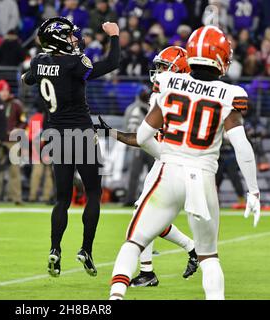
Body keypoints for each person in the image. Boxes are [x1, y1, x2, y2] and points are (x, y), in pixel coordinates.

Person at [108, 26, 260, 300]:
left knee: (133, 242)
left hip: (167, 172)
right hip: (201, 178)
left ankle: (115, 298)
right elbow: (241, 146)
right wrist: (253, 191)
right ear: (223, 58)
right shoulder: (229, 93)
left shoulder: (168, 83)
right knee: (209, 257)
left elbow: (143, 136)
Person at [22, 17, 120, 277]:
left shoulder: (38, 61)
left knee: (62, 199)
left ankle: (55, 249)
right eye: (69, 37)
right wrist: (115, 36)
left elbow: (27, 79)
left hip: (56, 134)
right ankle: (85, 249)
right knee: (93, 192)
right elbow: (112, 63)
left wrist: (37, 72)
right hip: (81, 132)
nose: (74, 40)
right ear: (58, 40)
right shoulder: (74, 63)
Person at [98, 46, 199, 287]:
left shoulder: (170, 97)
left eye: (164, 67)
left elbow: (146, 140)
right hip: (172, 160)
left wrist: (115, 134)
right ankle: (155, 268)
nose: (158, 72)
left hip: (179, 162)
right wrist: (113, 133)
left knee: (145, 217)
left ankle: (182, 255)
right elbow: (147, 140)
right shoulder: (170, 94)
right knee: (146, 215)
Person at [0, 79, 26, 205]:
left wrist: (18, 129)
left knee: (15, 171)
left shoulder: (16, 104)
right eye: (1, 91)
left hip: (13, 142)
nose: (4, 93)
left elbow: (24, 120)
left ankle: (17, 198)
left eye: (5, 90)